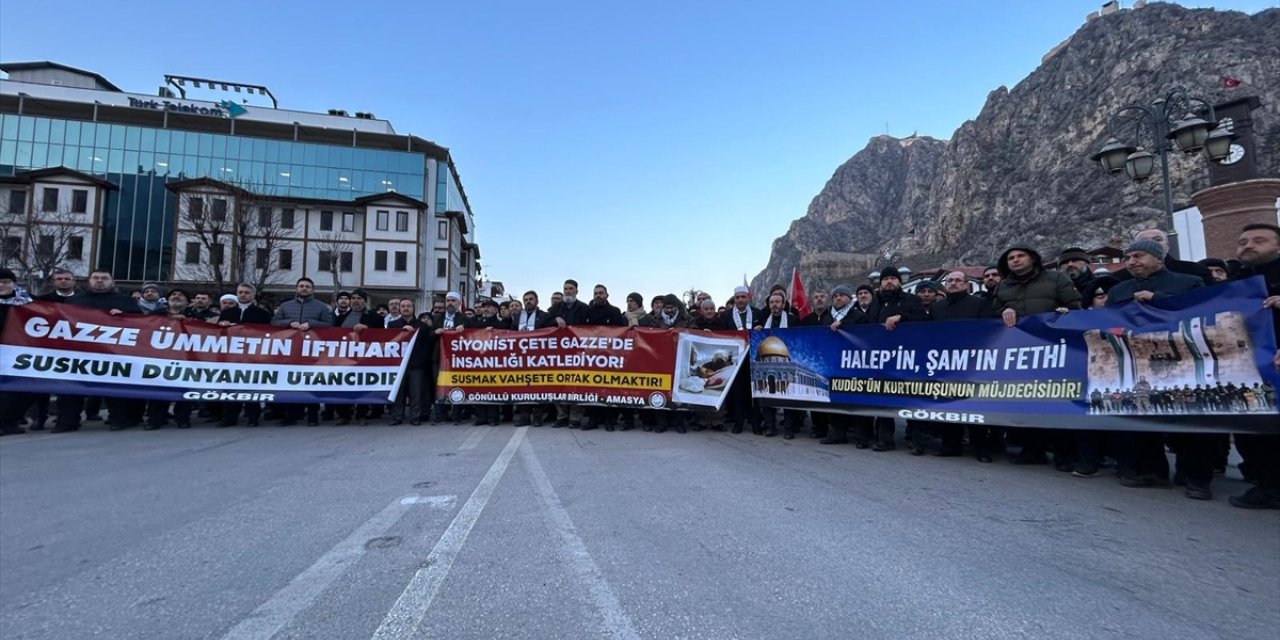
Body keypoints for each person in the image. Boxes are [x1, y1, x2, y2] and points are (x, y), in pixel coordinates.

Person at [1107, 238, 1211, 500]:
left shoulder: (1186, 283)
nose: (1132, 262)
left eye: (1139, 256)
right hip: (1137, 362)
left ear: (1159, 258)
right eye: (1128, 258)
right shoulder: (1119, 291)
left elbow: (1204, 310)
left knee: (1190, 419)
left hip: (1182, 361)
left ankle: (1196, 477)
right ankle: (1151, 471)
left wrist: (1159, 299)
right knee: (1141, 416)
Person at [992, 245, 1081, 465]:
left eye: (1020, 256)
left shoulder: (1056, 279)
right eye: (1011, 257)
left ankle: (1065, 454)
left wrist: (1064, 314)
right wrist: (1003, 311)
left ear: (1032, 258)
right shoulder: (1003, 286)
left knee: (1058, 402)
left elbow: (1075, 307)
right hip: (1020, 353)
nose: (1015, 260)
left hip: (1054, 351)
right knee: (1026, 401)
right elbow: (993, 312)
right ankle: (1032, 450)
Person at [1228, 223, 1280, 509]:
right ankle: (1267, 484)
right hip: (1246, 367)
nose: (1248, 245)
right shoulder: (1234, 280)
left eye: (1259, 240)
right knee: (1252, 430)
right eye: (1243, 240)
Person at [930, 271, 998, 460]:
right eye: (949, 280)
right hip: (946, 364)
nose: (953, 283)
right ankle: (950, 446)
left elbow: (988, 332)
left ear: (967, 285)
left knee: (974, 407)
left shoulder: (980, 304)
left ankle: (980, 448)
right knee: (948, 405)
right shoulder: (937, 308)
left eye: (958, 280)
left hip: (972, 364)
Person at [57, 270, 137, 433]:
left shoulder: (125, 302)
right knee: (71, 389)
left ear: (112, 282)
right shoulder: (73, 301)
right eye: (96, 278)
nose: (99, 281)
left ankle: (118, 420)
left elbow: (141, 325)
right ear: (89, 281)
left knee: (115, 390)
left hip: (113, 355)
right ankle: (68, 421)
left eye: (104, 278)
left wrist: (125, 316)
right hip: (79, 354)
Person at [859, 267, 927, 451]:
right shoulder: (875, 303)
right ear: (880, 283)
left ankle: (917, 440)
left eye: (892, 278)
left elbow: (923, 321)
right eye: (885, 279)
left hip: (907, 359)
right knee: (883, 401)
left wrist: (901, 317)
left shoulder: (911, 300)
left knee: (912, 400)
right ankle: (884, 439)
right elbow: (867, 327)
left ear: (899, 282)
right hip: (881, 360)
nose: (889, 281)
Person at [271, 277, 333, 426]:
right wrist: (288, 323)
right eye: (301, 286)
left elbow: (329, 324)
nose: (304, 288)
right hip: (290, 351)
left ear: (312, 289)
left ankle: (313, 415)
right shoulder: (285, 307)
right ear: (297, 288)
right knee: (291, 382)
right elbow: (274, 322)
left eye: (307, 286)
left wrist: (311, 324)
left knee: (311, 382)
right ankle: (292, 415)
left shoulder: (321, 307)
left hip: (312, 350)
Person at [218, 283, 273, 427]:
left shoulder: (262, 314)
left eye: (247, 292)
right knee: (231, 387)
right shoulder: (227, 313)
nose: (243, 295)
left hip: (253, 357)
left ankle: (253, 417)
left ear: (253, 295)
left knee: (251, 387)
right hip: (232, 356)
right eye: (240, 292)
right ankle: (230, 418)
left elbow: (269, 334)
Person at [145, 289, 196, 430]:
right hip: (161, 358)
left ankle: (182, 418)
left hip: (186, 359)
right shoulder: (156, 315)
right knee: (158, 390)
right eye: (173, 295)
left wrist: (188, 322)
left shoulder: (195, 316)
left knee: (185, 390)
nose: (176, 297)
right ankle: (155, 419)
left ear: (187, 301)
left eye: (180, 295)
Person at [333, 288, 385, 426]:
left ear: (365, 301)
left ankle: (361, 414)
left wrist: (367, 329)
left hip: (365, 359)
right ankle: (344, 414)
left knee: (363, 386)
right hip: (344, 358)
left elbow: (383, 337)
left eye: (359, 298)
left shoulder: (375, 317)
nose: (356, 301)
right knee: (343, 386)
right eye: (354, 298)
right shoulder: (340, 318)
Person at [759, 291, 803, 439]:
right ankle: (770, 426)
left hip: (786, 362)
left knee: (787, 395)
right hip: (767, 364)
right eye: (772, 302)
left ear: (783, 304)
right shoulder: (764, 320)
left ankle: (789, 428)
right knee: (766, 394)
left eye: (777, 302)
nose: (774, 305)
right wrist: (758, 331)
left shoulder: (793, 320)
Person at [719, 286, 761, 434]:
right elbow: (721, 336)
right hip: (735, 360)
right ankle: (738, 423)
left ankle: (756, 424)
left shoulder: (757, 313)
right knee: (737, 393)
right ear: (734, 299)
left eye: (743, 297)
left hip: (753, 360)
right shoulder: (726, 316)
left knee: (754, 392)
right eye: (737, 297)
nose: (740, 300)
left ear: (748, 298)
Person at [548, 280, 590, 428]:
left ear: (577, 291)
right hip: (558, 353)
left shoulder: (585, 308)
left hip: (578, 353)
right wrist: (554, 320)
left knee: (576, 384)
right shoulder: (554, 309)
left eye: (571, 289)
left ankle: (575, 417)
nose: (568, 291)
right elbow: (543, 326)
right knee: (558, 384)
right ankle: (562, 416)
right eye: (565, 289)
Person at [0, 268, 34, 436]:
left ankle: (10, 421)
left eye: (6, 282)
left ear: (13, 284)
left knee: (17, 391)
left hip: (17, 355)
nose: (2, 285)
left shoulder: (28, 304)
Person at [511, 291, 553, 427]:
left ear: (537, 301)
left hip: (539, 358)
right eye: (526, 299)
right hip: (521, 358)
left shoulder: (544, 316)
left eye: (531, 299)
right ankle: (524, 416)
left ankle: (537, 416)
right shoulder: (517, 317)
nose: (528, 301)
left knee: (538, 387)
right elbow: (509, 335)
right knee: (522, 387)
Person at [388, 299, 431, 426]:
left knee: (416, 393)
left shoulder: (422, 326)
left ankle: (415, 417)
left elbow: (426, 346)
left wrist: (422, 361)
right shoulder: (393, 325)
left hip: (416, 365)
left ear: (413, 308)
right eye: (403, 306)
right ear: (399, 309)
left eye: (408, 306)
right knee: (398, 392)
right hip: (398, 365)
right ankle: (397, 416)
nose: (405, 308)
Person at [467, 299, 506, 426]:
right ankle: (480, 417)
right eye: (484, 307)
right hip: (478, 362)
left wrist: (495, 330)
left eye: (489, 307)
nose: (485, 309)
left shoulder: (501, 323)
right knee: (478, 389)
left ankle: (493, 418)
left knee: (492, 390)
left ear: (496, 310)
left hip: (494, 362)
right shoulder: (474, 323)